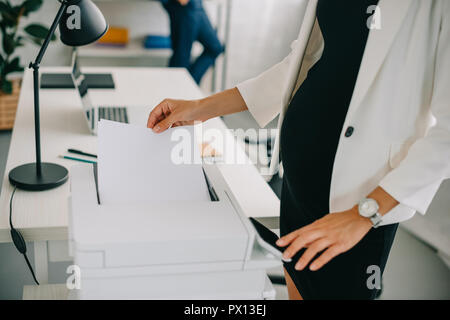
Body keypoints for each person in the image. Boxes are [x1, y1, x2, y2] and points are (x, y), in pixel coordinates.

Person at [148, 0, 450, 299]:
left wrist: (365, 213)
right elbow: (299, 64)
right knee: (298, 287)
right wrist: (200, 108)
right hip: (298, 179)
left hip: (359, 199)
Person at [161, 0, 224, 84]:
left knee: (215, 48)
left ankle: (188, 84)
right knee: (181, 58)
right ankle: (177, 89)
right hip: (182, 8)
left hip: (197, 6)